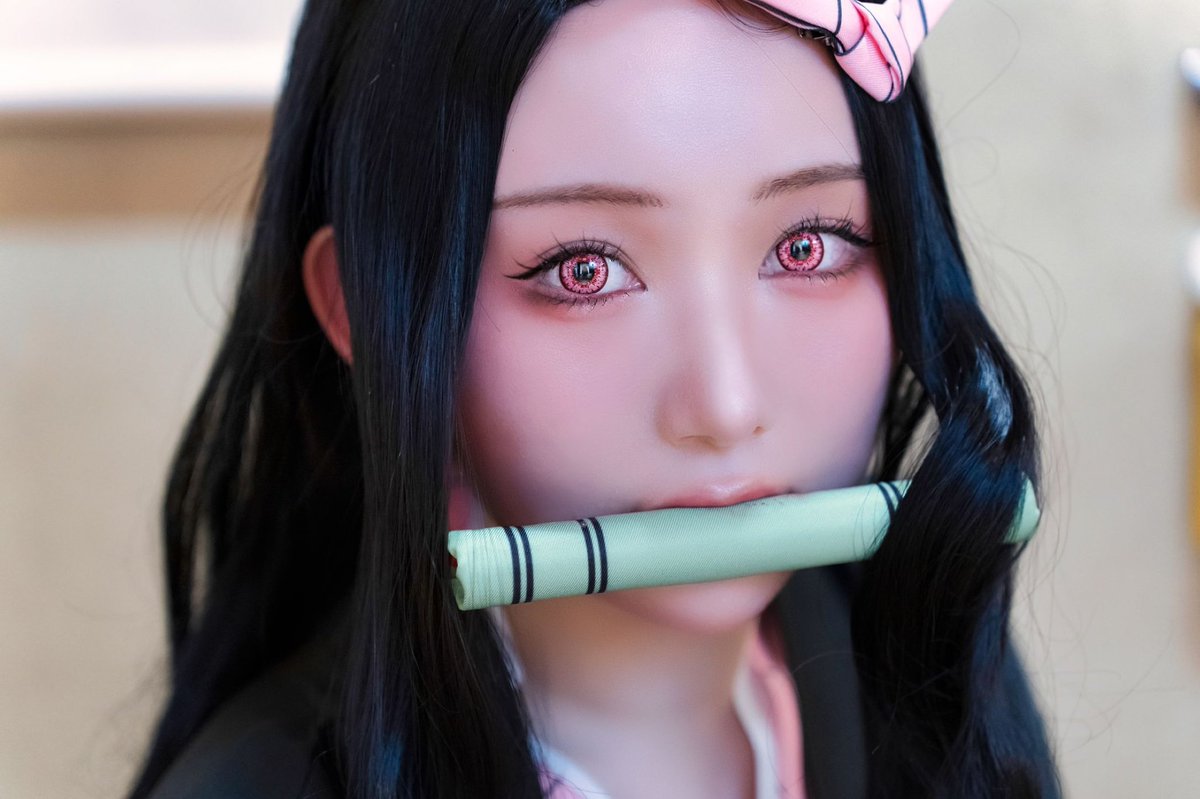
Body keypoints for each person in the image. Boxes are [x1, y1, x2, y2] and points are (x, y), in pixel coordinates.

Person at [127, 0, 1062, 797]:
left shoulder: (925, 680)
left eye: (808, 245)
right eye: (584, 269)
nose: (724, 405)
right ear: (369, 308)